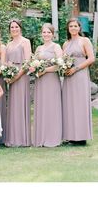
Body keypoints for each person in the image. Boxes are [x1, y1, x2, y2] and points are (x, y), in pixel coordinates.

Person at [62, 17, 95, 145]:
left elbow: (91, 58)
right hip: (68, 77)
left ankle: (81, 137)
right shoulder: (65, 43)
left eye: (75, 26)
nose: (73, 28)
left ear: (79, 28)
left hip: (80, 75)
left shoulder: (84, 40)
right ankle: (71, 136)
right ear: (68, 29)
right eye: (71, 26)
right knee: (69, 105)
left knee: (80, 105)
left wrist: (76, 68)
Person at [33, 23, 63, 147]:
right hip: (40, 80)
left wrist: (45, 70)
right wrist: (35, 69)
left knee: (52, 107)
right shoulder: (38, 48)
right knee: (41, 106)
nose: (46, 34)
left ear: (52, 34)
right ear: (41, 33)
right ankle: (41, 137)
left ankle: (53, 137)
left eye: (48, 32)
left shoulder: (56, 47)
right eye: (44, 32)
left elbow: (60, 64)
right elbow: (33, 63)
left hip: (51, 79)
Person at [5, 19, 32, 147]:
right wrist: (8, 75)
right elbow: (6, 62)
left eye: (16, 27)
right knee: (13, 106)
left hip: (21, 76)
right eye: (12, 27)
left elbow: (27, 62)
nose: (14, 29)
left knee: (21, 104)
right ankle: (13, 138)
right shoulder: (9, 44)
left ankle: (22, 138)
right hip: (11, 77)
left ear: (20, 28)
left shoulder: (25, 42)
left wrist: (17, 76)